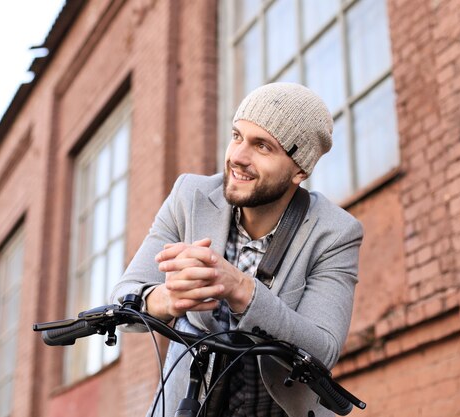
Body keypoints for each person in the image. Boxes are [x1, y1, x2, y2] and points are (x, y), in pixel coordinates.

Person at [111, 82, 363, 417]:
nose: (238, 158)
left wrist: (242, 290)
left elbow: (322, 349)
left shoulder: (335, 232)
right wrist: (167, 298)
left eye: (262, 146)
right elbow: (123, 300)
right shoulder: (190, 195)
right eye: (237, 136)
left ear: (299, 169)